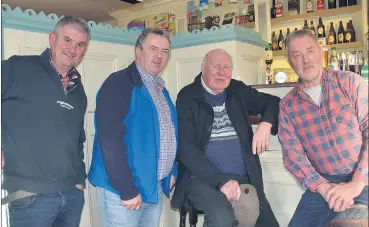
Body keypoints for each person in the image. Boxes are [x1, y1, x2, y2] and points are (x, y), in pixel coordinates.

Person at [171, 49, 280, 227]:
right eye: (216, 67)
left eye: (226, 67)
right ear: (203, 68)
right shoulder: (188, 97)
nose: (222, 72)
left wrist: (266, 124)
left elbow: (273, 102)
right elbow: (187, 150)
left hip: (243, 178)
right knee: (222, 219)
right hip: (201, 179)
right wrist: (221, 181)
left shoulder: (237, 90)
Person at [1, 16, 90, 227]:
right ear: (52, 39)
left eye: (80, 44)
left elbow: (78, 139)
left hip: (71, 195)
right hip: (29, 195)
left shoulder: (78, 90)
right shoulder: (18, 68)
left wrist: (79, 180)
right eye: (67, 40)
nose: (73, 49)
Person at [88, 28, 177, 227]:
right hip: (124, 192)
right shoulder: (119, 83)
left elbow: (167, 134)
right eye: (153, 49)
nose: (159, 56)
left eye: (165, 51)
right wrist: (126, 188)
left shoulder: (160, 90)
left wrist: (172, 171)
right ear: (138, 51)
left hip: (151, 187)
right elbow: (110, 141)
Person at [278, 29, 368, 227]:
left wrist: (356, 183)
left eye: (310, 51)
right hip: (323, 184)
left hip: (365, 176)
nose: (305, 59)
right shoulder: (288, 105)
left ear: (321, 52)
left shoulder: (350, 82)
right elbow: (293, 158)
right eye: (297, 55)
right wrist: (324, 188)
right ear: (290, 63)